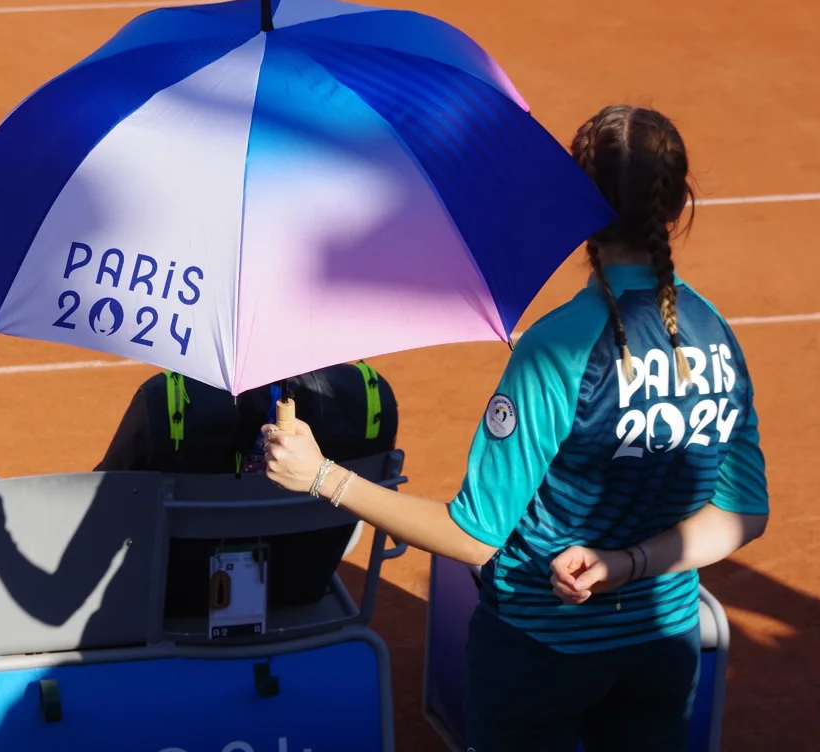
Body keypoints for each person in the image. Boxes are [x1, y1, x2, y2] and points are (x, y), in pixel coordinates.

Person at [262, 106, 768, 752]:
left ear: (576, 202)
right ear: (677, 203)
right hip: (663, 646)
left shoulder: (559, 348)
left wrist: (323, 477)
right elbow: (743, 514)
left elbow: (473, 537)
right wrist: (627, 565)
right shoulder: (715, 332)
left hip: (540, 653)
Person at [96, 362, 398, 617]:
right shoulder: (370, 393)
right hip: (300, 588)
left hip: (177, 598)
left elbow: (107, 499)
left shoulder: (165, 397)